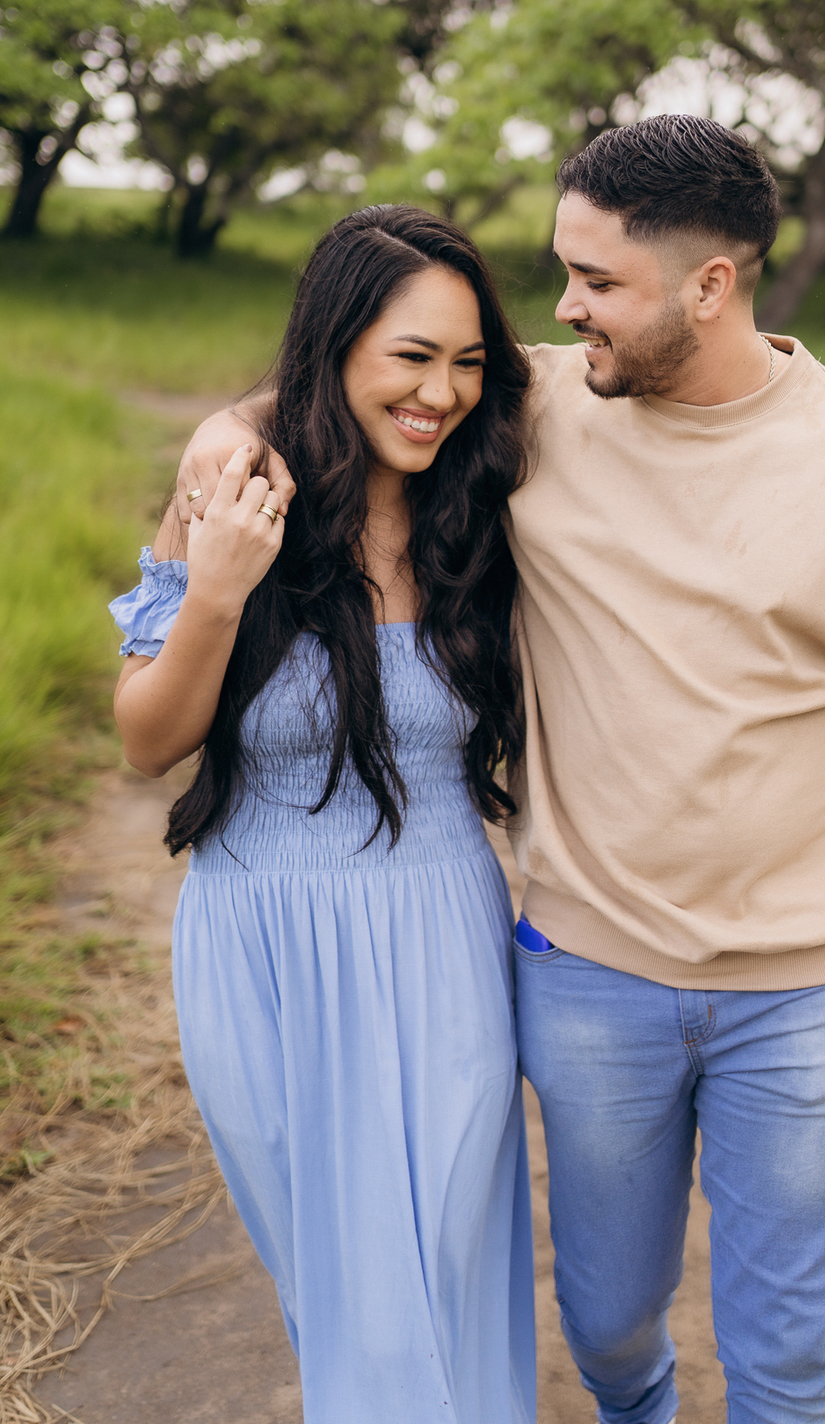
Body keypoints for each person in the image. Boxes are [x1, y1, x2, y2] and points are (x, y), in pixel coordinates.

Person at [178, 117, 825, 1424]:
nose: (566, 307)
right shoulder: (544, 409)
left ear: (712, 286)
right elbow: (366, 375)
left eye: (597, 281)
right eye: (562, 273)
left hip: (804, 992)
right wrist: (228, 425)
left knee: (790, 1371)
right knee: (605, 1325)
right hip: (590, 976)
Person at [109, 210, 538, 1424]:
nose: (441, 392)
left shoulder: (491, 503)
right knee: (334, 1282)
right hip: (259, 943)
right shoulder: (237, 504)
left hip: (442, 930)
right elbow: (146, 741)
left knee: (449, 1264)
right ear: (337, 343)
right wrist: (218, 592)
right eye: (411, 356)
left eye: (466, 362)